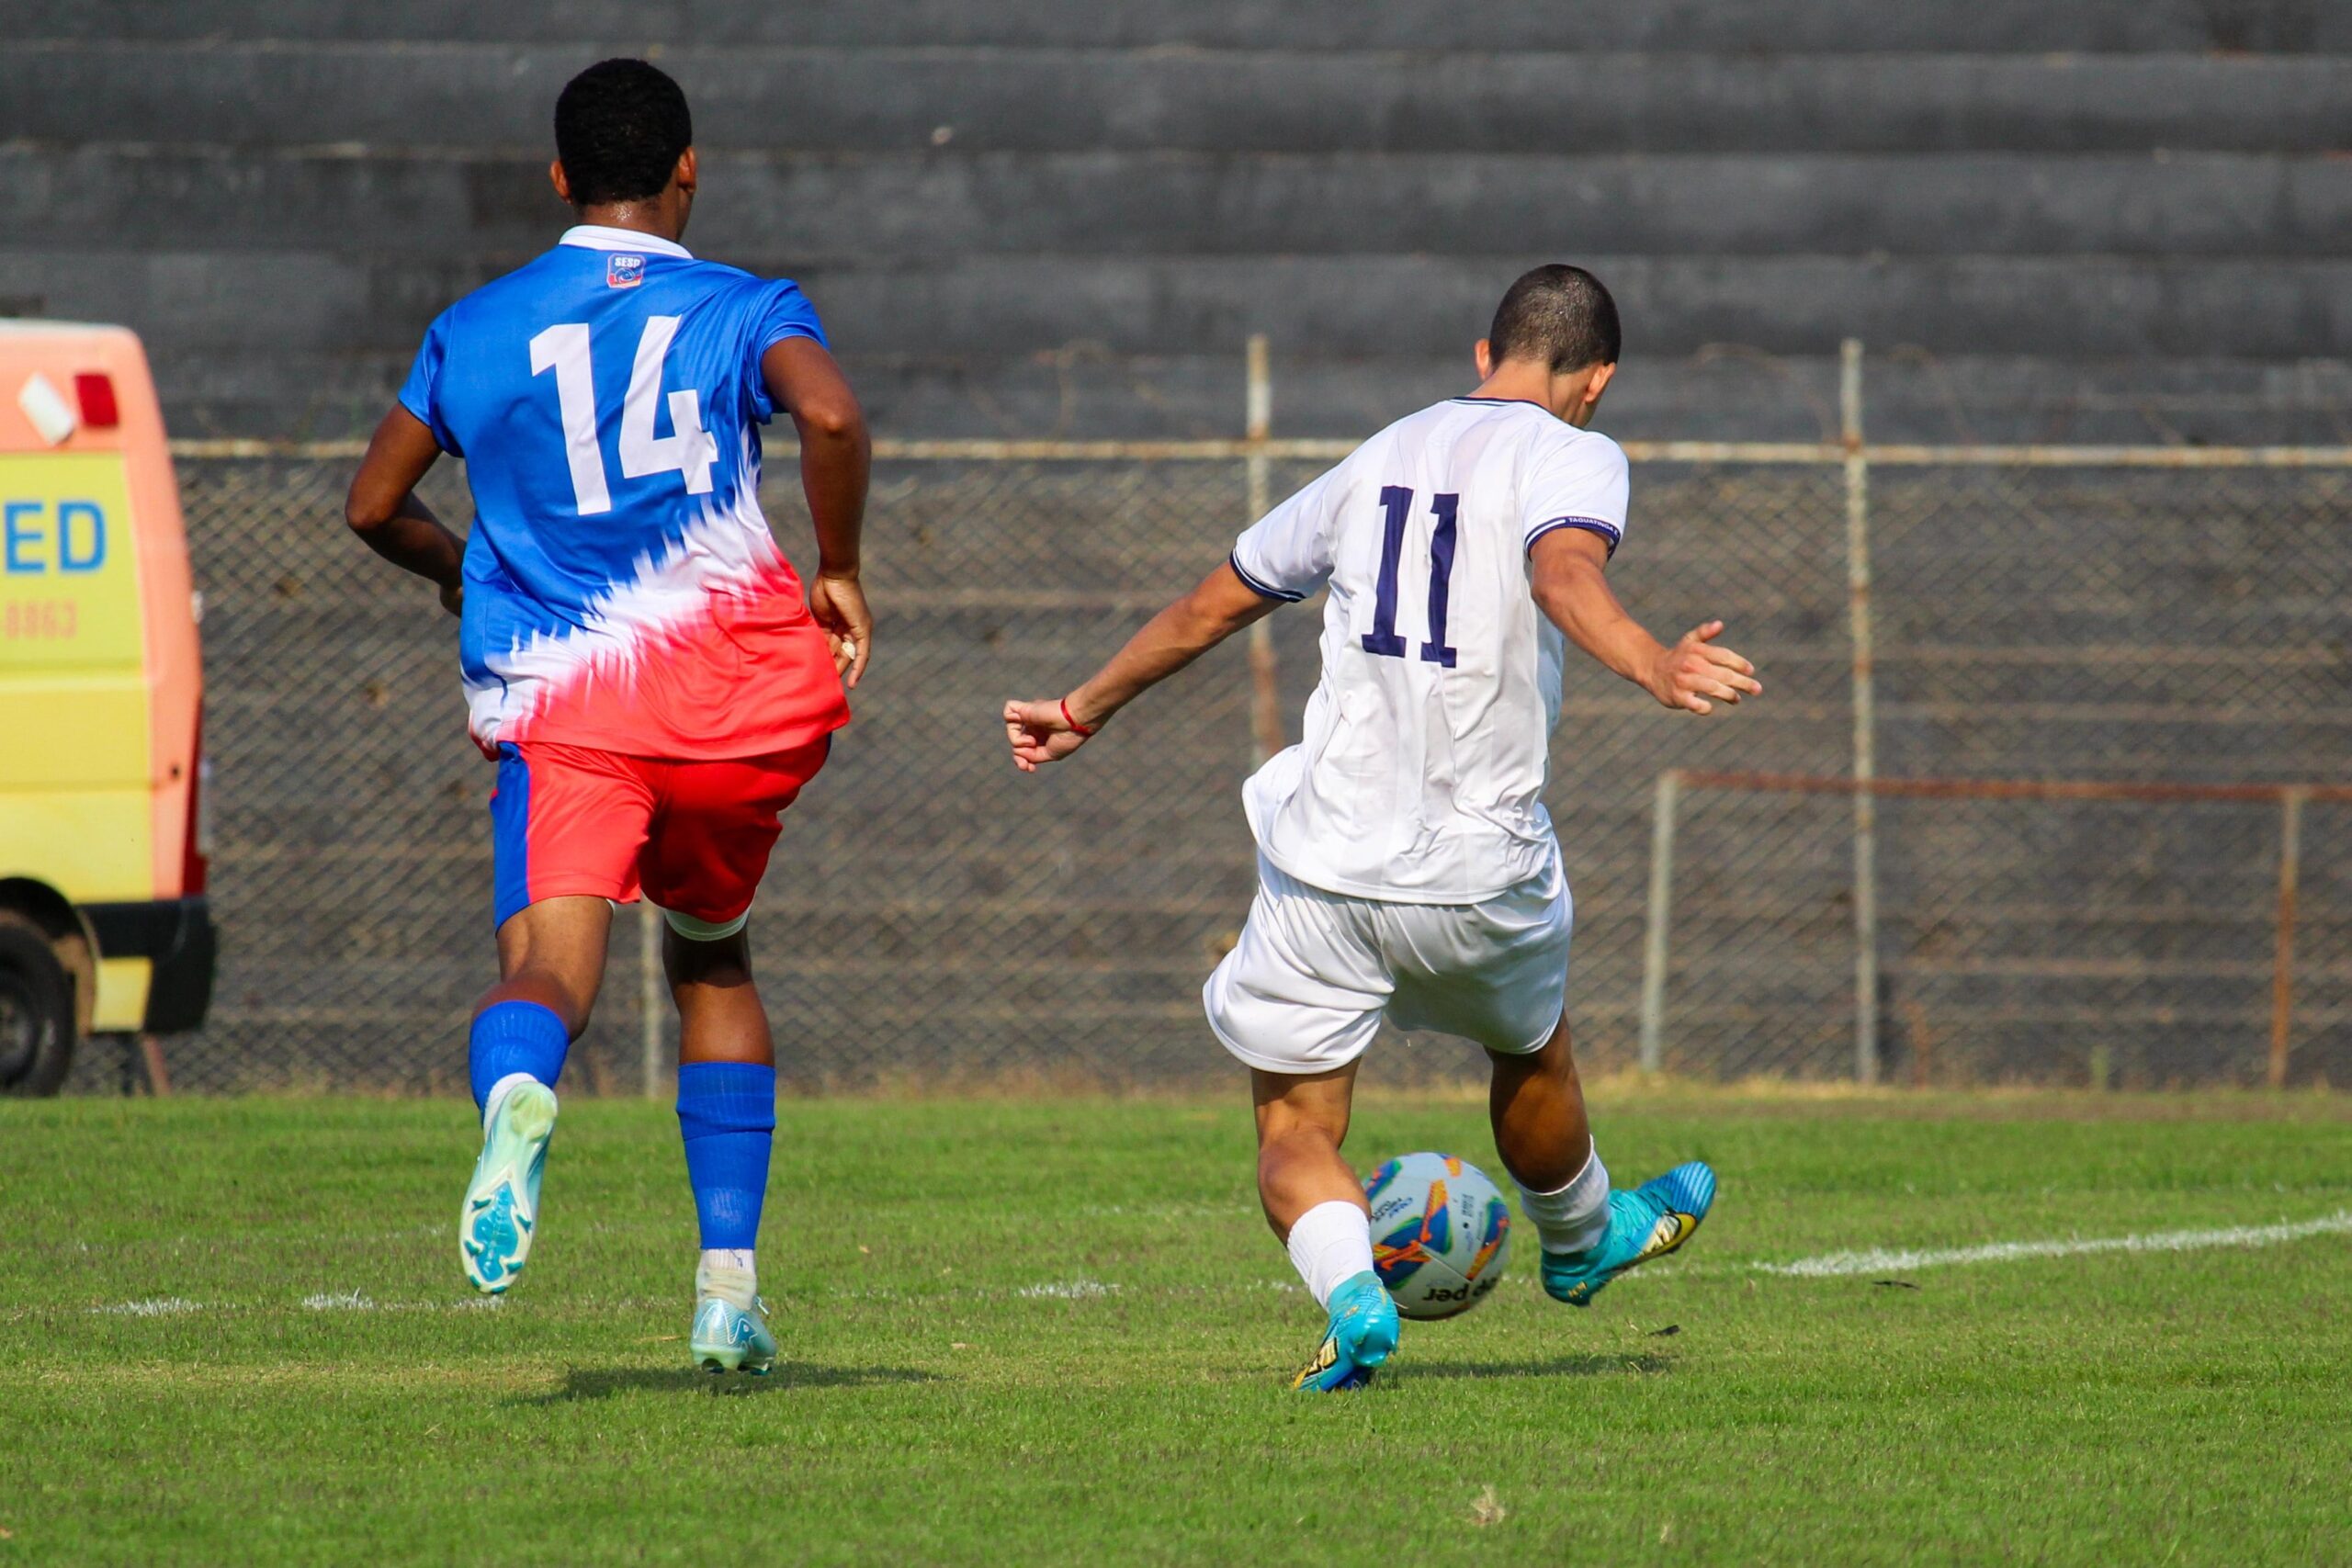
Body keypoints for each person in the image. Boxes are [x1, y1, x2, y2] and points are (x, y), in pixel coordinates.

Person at [1002, 265, 1758, 1391]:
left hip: (1327, 864)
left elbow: (1214, 603)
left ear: (1479, 355)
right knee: (1532, 1048)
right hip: (1477, 870)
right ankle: (1581, 1238)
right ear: (1596, 381)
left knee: (1295, 1132)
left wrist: (1081, 707)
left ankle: (1357, 1300)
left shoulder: (1377, 456)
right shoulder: (1576, 454)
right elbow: (1561, 573)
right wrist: (1652, 660)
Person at [344, 58, 872, 1374]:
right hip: (737, 702)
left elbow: (369, 505)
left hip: (570, 706)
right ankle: (725, 1293)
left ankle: (521, 1094)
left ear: (561, 176)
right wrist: (842, 563)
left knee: (549, 970)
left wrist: (471, 568)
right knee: (713, 960)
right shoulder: (748, 307)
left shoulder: (476, 325)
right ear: (688, 169)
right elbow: (832, 412)